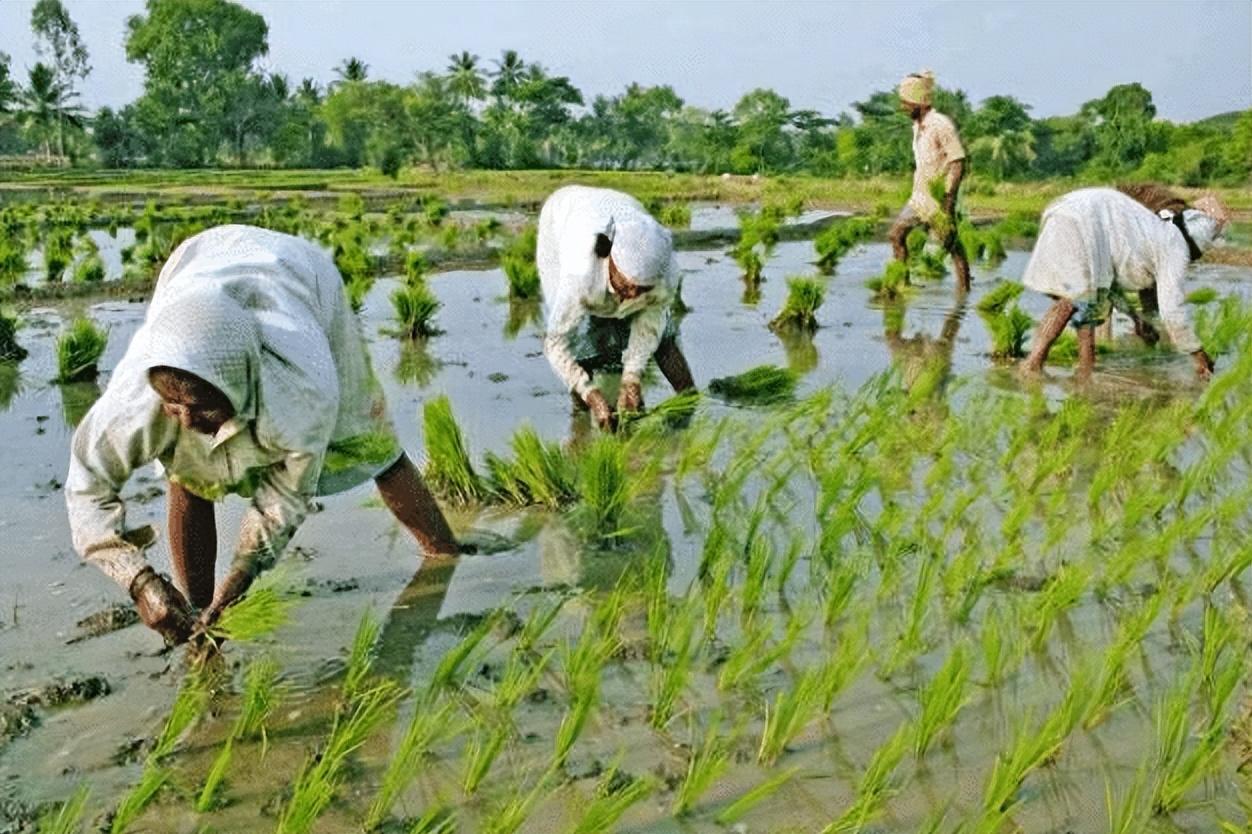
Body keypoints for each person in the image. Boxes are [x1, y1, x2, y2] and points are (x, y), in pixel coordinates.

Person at [66, 225, 463, 646]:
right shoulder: (139, 398)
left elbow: (285, 497)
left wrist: (241, 576)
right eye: (173, 406)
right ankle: (196, 616)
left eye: (203, 407)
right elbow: (85, 488)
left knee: (368, 437)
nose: (185, 419)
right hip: (196, 271)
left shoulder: (302, 389)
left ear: (239, 381)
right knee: (188, 469)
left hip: (298, 280)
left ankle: (445, 554)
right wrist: (138, 579)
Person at [1019, 187, 1230, 379]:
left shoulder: (1155, 229)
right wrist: (1199, 355)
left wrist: (1136, 320)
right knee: (1070, 301)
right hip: (1083, 220)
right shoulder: (1176, 248)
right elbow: (1172, 312)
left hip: (1064, 209)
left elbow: (1108, 289)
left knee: (1084, 299)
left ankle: (1085, 368)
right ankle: (1033, 364)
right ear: (1196, 245)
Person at [537, 185, 695, 431]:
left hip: (623, 206)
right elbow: (555, 342)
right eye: (627, 284)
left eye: (642, 290)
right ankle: (584, 414)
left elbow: (650, 326)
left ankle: (689, 407)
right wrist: (591, 393)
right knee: (580, 344)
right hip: (562, 218)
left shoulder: (666, 274)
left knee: (665, 336)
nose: (632, 295)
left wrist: (632, 379)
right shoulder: (578, 273)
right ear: (610, 259)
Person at [889, 70, 972, 293]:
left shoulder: (940, 124)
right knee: (896, 234)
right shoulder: (917, 126)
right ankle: (901, 282)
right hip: (919, 198)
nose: (903, 107)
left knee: (952, 245)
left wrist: (948, 198)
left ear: (918, 102)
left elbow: (957, 161)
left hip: (938, 199)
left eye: (906, 102)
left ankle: (964, 290)